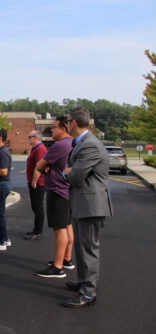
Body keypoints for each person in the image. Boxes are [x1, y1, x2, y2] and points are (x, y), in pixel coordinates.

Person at [62, 107, 113, 308]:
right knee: (81, 247)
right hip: (83, 203)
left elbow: (75, 176)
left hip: (92, 206)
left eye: (67, 121)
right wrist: (70, 171)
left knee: (88, 249)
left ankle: (88, 293)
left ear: (74, 123)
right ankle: (84, 282)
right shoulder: (83, 143)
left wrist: (67, 173)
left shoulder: (90, 145)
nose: (66, 124)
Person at [35, 117, 74, 278]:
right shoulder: (73, 144)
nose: (51, 130)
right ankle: (67, 259)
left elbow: (39, 165)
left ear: (63, 128)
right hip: (69, 191)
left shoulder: (59, 145)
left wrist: (46, 167)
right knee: (68, 226)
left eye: (54, 127)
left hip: (57, 191)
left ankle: (57, 268)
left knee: (60, 229)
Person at [24, 130, 47, 240]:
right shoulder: (36, 149)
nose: (28, 139)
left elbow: (40, 166)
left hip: (37, 183)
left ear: (36, 137)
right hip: (34, 182)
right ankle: (36, 230)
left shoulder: (40, 149)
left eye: (29, 136)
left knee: (38, 207)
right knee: (35, 207)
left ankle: (38, 232)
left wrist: (34, 181)